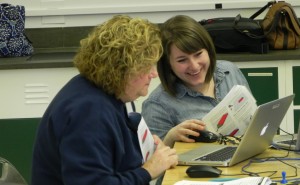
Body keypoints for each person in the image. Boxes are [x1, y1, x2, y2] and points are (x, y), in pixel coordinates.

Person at [31, 15, 178, 185]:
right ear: (121, 70)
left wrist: (146, 148)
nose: (154, 74)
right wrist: (148, 171)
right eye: (146, 67)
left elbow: (111, 151)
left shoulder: (102, 90)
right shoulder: (89, 113)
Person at [142, 15, 251, 148]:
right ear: (168, 64)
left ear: (208, 50)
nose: (194, 66)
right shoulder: (157, 105)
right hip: (201, 168)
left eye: (198, 54)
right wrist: (170, 139)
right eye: (182, 60)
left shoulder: (230, 71)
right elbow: (154, 165)